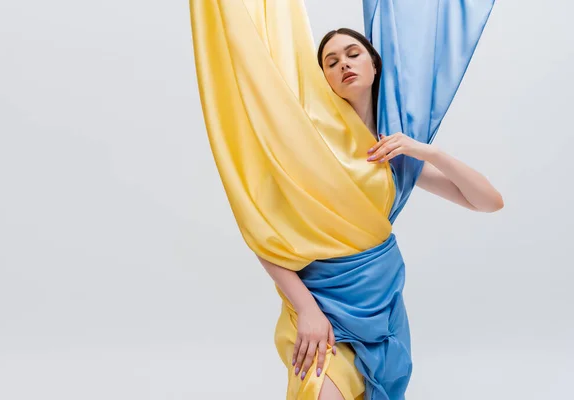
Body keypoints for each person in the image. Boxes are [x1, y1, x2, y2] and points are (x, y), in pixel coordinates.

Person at [189, 1, 498, 398]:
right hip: (319, 306)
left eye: (353, 54)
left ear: (374, 66)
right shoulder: (311, 145)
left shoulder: (393, 151)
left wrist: (425, 151)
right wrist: (307, 310)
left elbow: (489, 202)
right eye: (331, 62)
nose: (344, 65)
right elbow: (264, 231)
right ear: (323, 81)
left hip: (380, 307)